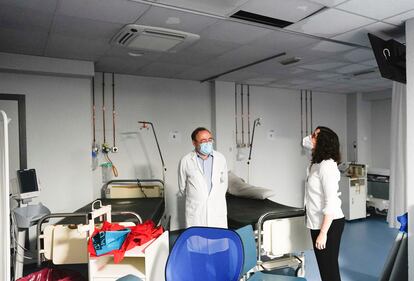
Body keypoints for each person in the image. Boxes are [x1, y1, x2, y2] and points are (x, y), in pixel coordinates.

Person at [302, 126, 345, 281]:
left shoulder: (327, 166)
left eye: (315, 135)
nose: (311, 137)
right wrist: (316, 134)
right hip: (317, 222)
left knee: (329, 270)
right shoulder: (317, 163)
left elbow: (331, 202)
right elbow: (304, 142)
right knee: (325, 269)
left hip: (329, 224)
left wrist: (323, 233)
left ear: (323, 143)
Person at [178, 127, 228, 228]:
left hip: (217, 209)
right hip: (196, 211)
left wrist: (214, 197)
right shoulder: (186, 160)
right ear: (194, 143)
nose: (208, 143)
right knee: (197, 240)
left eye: (210, 140)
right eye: (203, 141)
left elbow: (224, 184)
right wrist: (198, 196)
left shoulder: (220, 158)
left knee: (217, 240)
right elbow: (182, 187)